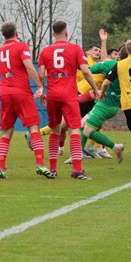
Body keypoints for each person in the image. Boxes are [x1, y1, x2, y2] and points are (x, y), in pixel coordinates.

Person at [38, 21, 100, 180]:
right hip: (69, 95)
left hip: (52, 94)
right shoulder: (74, 48)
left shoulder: (45, 51)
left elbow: (41, 73)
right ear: (66, 32)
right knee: (74, 129)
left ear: (53, 34)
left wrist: (40, 89)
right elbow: (86, 71)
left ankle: (52, 169)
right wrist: (94, 88)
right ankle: (77, 169)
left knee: (54, 130)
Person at [0, 21, 51, 180]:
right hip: (21, 92)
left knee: (7, 131)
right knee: (33, 127)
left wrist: (4, 87)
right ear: (16, 32)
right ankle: (40, 165)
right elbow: (29, 66)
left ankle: (1, 168)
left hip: (5, 93)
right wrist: (40, 85)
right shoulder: (21, 46)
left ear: (3, 35)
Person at [101, 39, 131, 162]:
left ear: (126, 50)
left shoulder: (120, 64)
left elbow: (106, 82)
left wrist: (102, 92)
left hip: (129, 103)